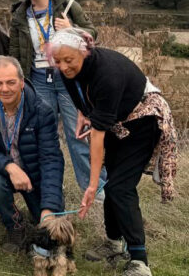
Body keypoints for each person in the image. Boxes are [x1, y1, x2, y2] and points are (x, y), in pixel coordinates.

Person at [51, 29, 177, 276]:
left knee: (120, 187)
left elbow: (97, 137)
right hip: (118, 119)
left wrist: (91, 184)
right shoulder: (67, 70)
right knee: (113, 186)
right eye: (58, 61)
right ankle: (114, 243)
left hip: (143, 119)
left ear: (85, 53)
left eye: (69, 60)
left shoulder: (107, 73)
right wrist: (83, 114)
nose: (63, 67)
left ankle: (140, 262)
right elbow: (81, 96)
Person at [9, 0, 101, 194]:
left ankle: (95, 188)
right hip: (39, 80)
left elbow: (92, 33)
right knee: (45, 135)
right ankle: (50, 185)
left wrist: (73, 29)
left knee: (77, 133)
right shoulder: (19, 16)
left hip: (68, 78)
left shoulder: (68, 6)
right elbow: (14, 52)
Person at [0, 55, 64, 254]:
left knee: (50, 231)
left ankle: (42, 211)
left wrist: (49, 209)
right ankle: (14, 224)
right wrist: (9, 166)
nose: (4, 89)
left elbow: (51, 158)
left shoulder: (41, 110)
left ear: (21, 81)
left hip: (33, 174)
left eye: (11, 82)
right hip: (1, 169)